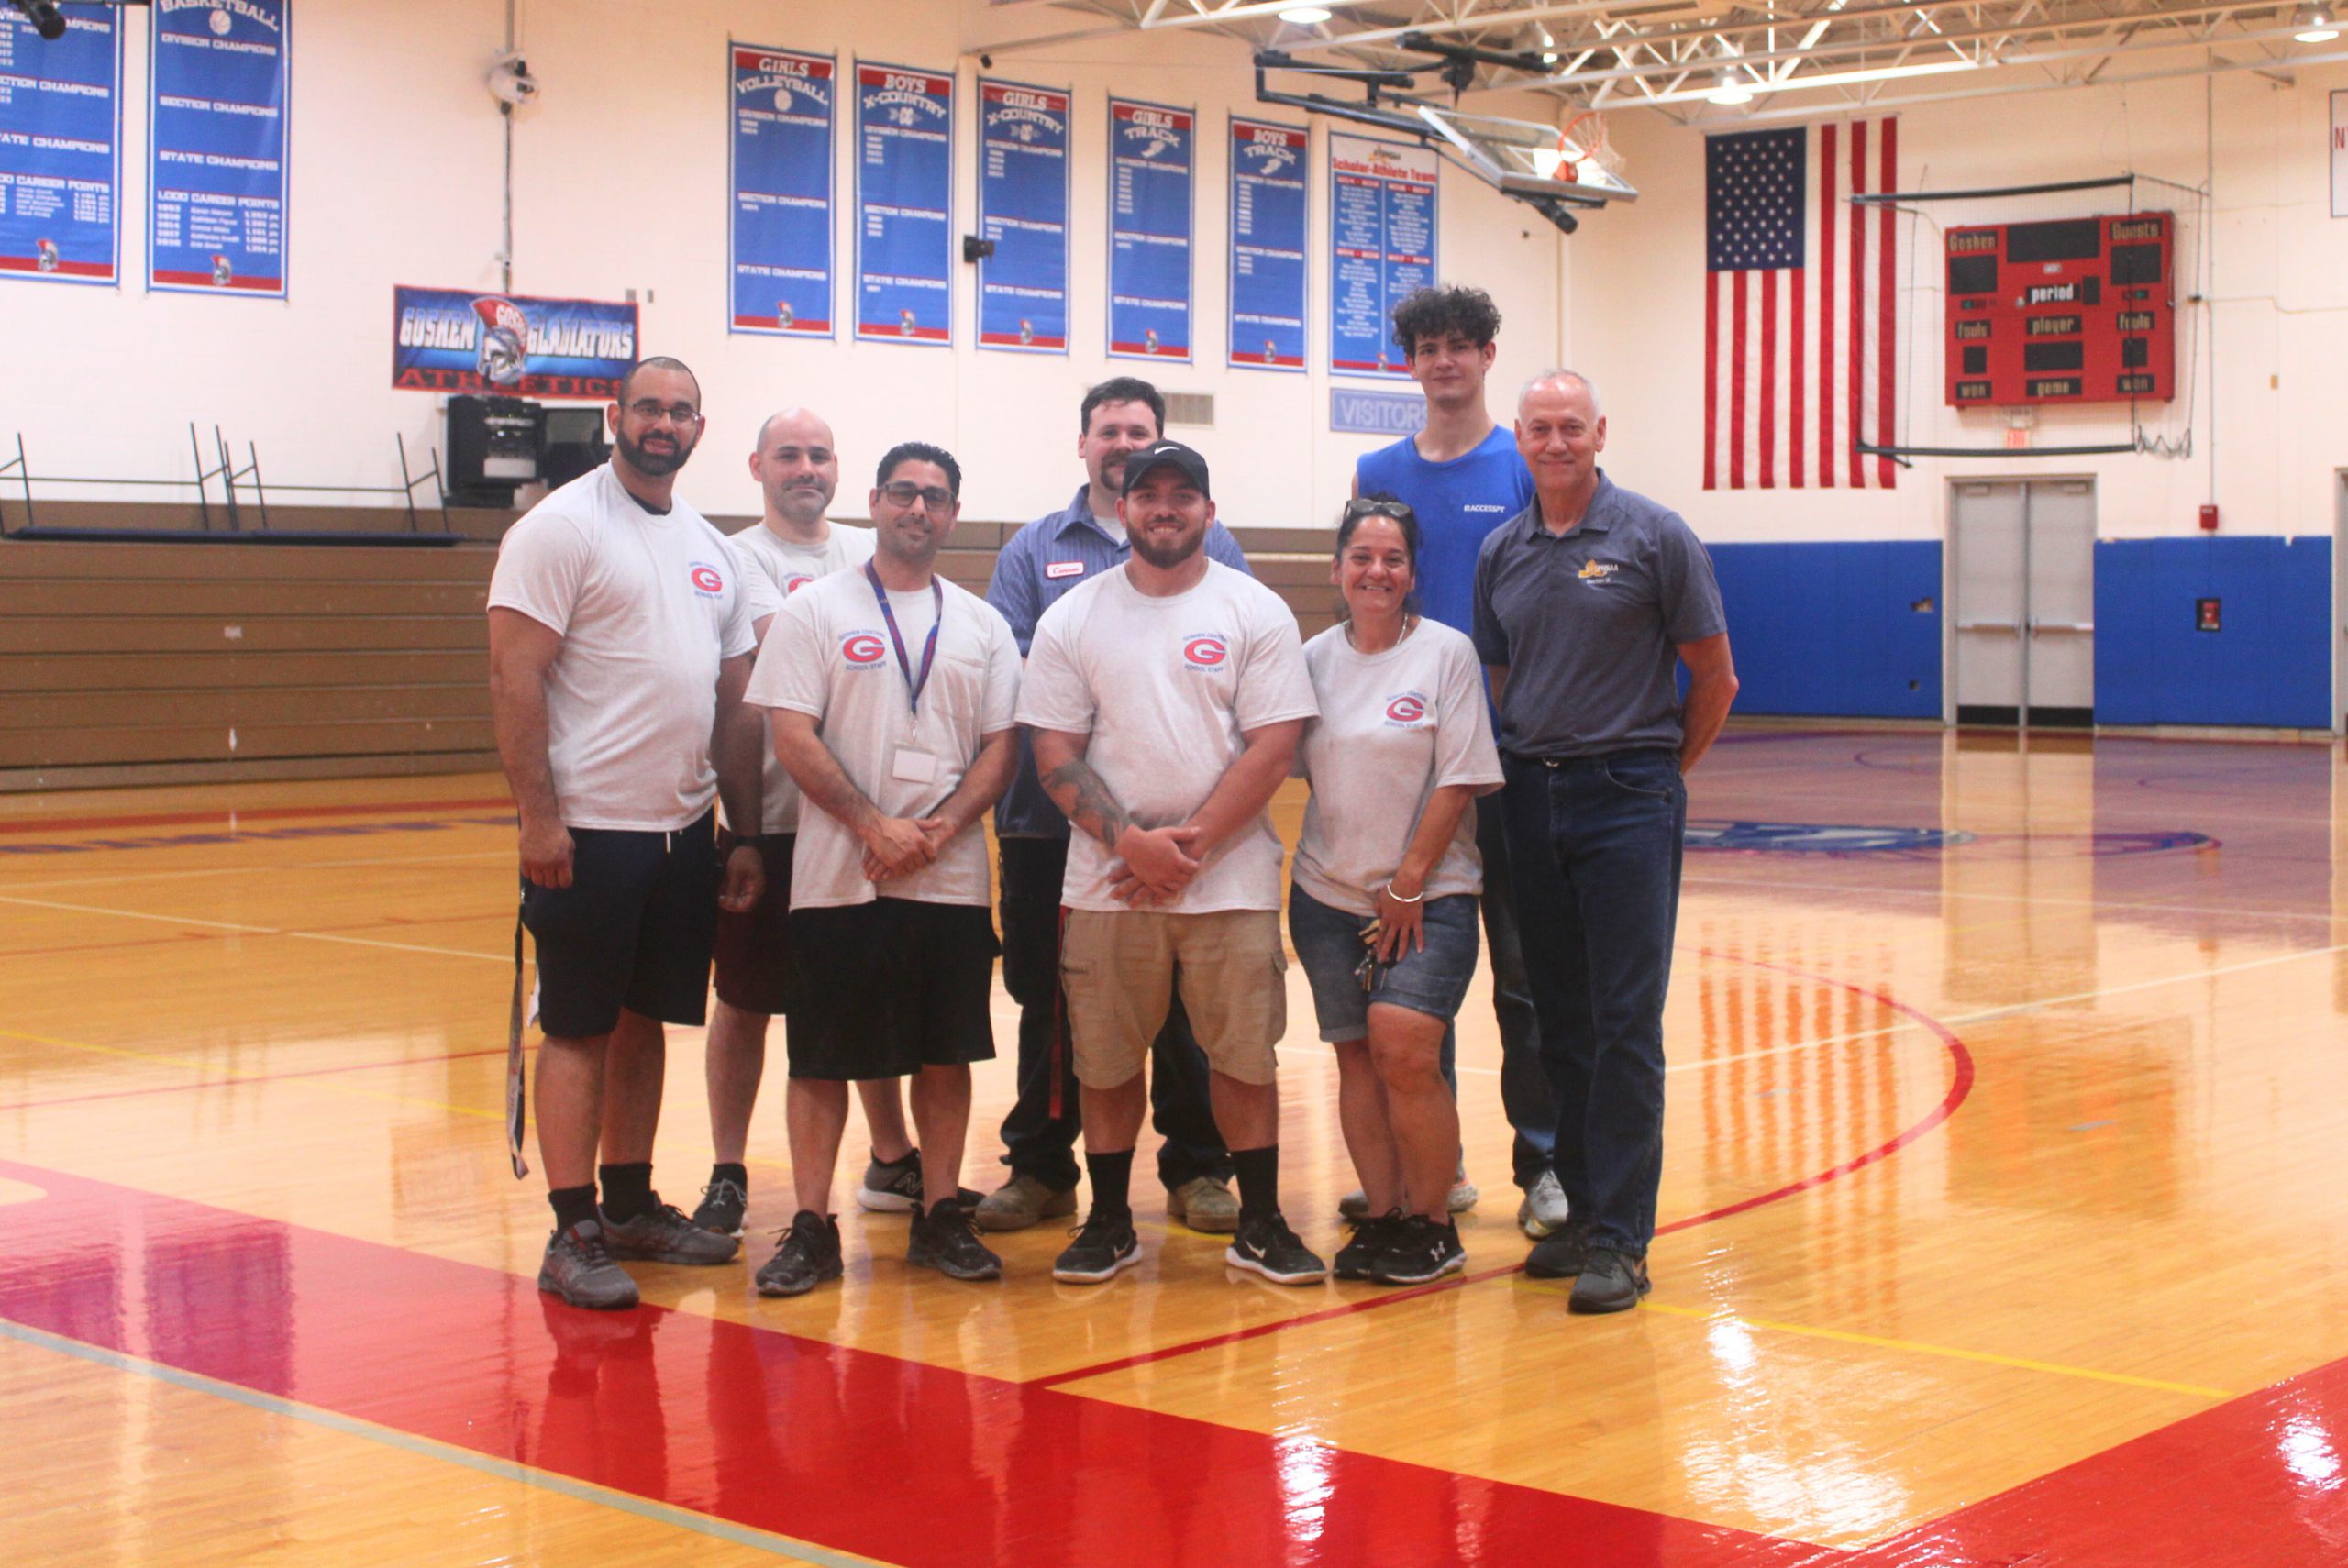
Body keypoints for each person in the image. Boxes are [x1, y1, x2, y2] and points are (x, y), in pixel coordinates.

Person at [1017, 438, 1325, 1286]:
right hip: (1108, 885)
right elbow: (1053, 750)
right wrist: (1132, 847)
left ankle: (1259, 1222)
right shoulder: (1071, 618)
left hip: (1228, 885)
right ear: (1122, 511)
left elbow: (1273, 748)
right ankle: (1109, 1221)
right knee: (1108, 1063)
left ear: (1208, 512)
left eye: (1181, 494)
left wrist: (1186, 850)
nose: (1163, 506)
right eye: (1147, 493)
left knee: (1243, 1059)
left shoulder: (1255, 610)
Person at [487, 355, 759, 1311]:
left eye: (681, 411)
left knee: (646, 1024)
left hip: (684, 835)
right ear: (614, 416)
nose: (663, 424)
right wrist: (540, 818)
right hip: (587, 835)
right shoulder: (558, 528)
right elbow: (513, 678)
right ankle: (571, 1232)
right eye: (648, 407)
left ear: (699, 428)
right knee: (577, 1027)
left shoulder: (711, 549)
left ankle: (631, 1203)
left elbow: (731, 704)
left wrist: (740, 831)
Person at [1472, 370, 1739, 1314]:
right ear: (1518, 437)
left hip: (1626, 798)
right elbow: (1500, 677)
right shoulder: (1500, 550)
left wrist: (1660, 774)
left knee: (1624, 1024)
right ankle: (1583, 1216)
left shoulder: (1656, 537)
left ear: (1599, 433)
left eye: (1571, 427)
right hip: (1530, 800)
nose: (1555, 443)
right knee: (1561, 1023)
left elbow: (1714, 677)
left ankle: (1623, 1240)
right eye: (1539, 428)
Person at [745, 441, 1022, 1296]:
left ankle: (941, 1216)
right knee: (823, 1057)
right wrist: (873, 823)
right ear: (874, 500)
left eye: (936, 497)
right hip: (839, 875)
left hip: (949, 878)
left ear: (953, 514)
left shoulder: (981, 625)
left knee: (945, 1054)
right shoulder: (814, 611)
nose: (918, 509)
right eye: (904, 493)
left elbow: (1001, 749)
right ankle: (812, 1225)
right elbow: (791, 735)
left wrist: (933, 832)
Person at [974, 378, 1248, 1238]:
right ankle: (1043, 1168)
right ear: (1084, 447)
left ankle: (1198, 1169)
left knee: (1182, 997)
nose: (1122, 443)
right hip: (1043, 823)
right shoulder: (1032, 549)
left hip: (1179, 827)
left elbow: (1235, 674)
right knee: (1048, 997)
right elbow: (1017, 673)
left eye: (1139, 431)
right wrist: (1107, 816)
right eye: (1108, 432)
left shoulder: (1218, 542)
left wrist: (1156, 833)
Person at [692, 408, 966, 1240]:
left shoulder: (868, 544)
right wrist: (740, 828)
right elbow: (794, 648)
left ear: (844, 472)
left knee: (867, 994)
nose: (804, 468)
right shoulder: (733, 558)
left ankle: (890, 1155)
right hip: (773, 813)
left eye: (818, 455)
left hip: (878, 825)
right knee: (744, 1001)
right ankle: (728, 1171)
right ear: (756, 466)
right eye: (787, 455)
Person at [1352, 283, 1561, 1238]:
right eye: (1427, 347)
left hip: (1511, 759)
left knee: (1523, 977)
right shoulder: (1377, 467)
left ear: (1486, 356)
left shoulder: (1521, 465)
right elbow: (1369, 586)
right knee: (1411, 980)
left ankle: (1546, 1164)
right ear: (1410, 361)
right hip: (1408, 767)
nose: (1444, 361)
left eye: (1461, 346)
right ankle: (1441, 1163)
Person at [1290, 497, 1501, 1286]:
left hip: (1429, 895)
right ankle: (1382, 1217)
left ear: (1412, 573)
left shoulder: (1445, 653)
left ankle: (1434, 1223)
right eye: (1362, 556)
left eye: (1393, 559)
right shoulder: (1310, 657)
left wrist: (1409, 884)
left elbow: (1460, 778)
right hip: (1325, 895)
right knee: (1355, 1057)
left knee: (1405, 1046)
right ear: (1338, 568)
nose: (1377, 571)